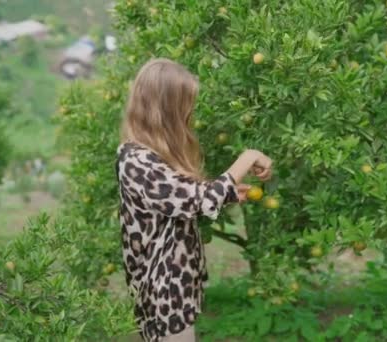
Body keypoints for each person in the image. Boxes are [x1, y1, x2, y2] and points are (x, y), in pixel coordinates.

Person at [116, 58, 273, 342]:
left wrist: (224, 195)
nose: (189, 113)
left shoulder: (147, 156)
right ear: (165, 109)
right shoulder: (136, 159)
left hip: (177, 288)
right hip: (163, 295)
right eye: (184, 105)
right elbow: (196, 200)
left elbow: (180, 200)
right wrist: (248, 157)